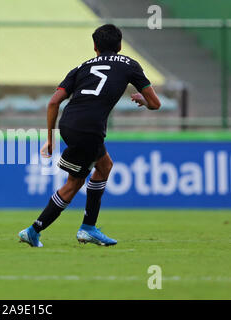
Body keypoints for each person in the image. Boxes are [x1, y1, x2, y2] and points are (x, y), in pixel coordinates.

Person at [19, 24, 161, 247]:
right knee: (73, 184)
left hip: (69, 123)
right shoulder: (130, 65)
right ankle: (36, 230)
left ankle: (86, 227)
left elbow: (54, 102)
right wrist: (143, 101)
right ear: (120, 45)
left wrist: (50, 138)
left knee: (104, 166)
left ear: (95, 47)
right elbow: (155, 103)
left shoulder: (82, 67)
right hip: (89, 128)